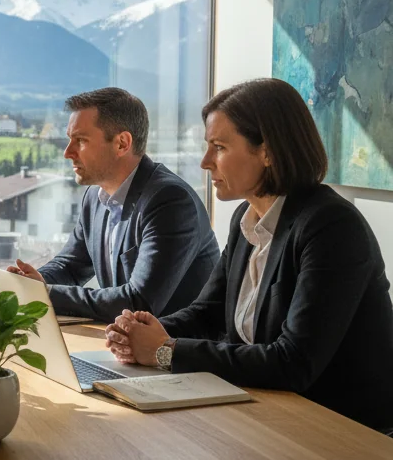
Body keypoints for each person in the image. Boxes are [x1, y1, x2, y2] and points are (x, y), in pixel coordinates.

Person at [105, 78, 393, 434]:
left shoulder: (330, 226)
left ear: (268, 152)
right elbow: (208, 312)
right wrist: (141, 332)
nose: (205, 162)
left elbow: (292, 362)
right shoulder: (247, 218)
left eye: (219, 147)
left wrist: (166, 351)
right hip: (267, 413)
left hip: (340, 432)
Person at [9, 87, 219, 323]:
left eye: (81, 140)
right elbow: (70, 267)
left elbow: (138, 301)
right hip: (126, 347)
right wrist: (30, 282)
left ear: (122, 143)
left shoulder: (170, 201)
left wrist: (43, 294)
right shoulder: (94, 197)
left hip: (177, 353)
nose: (68, 153)